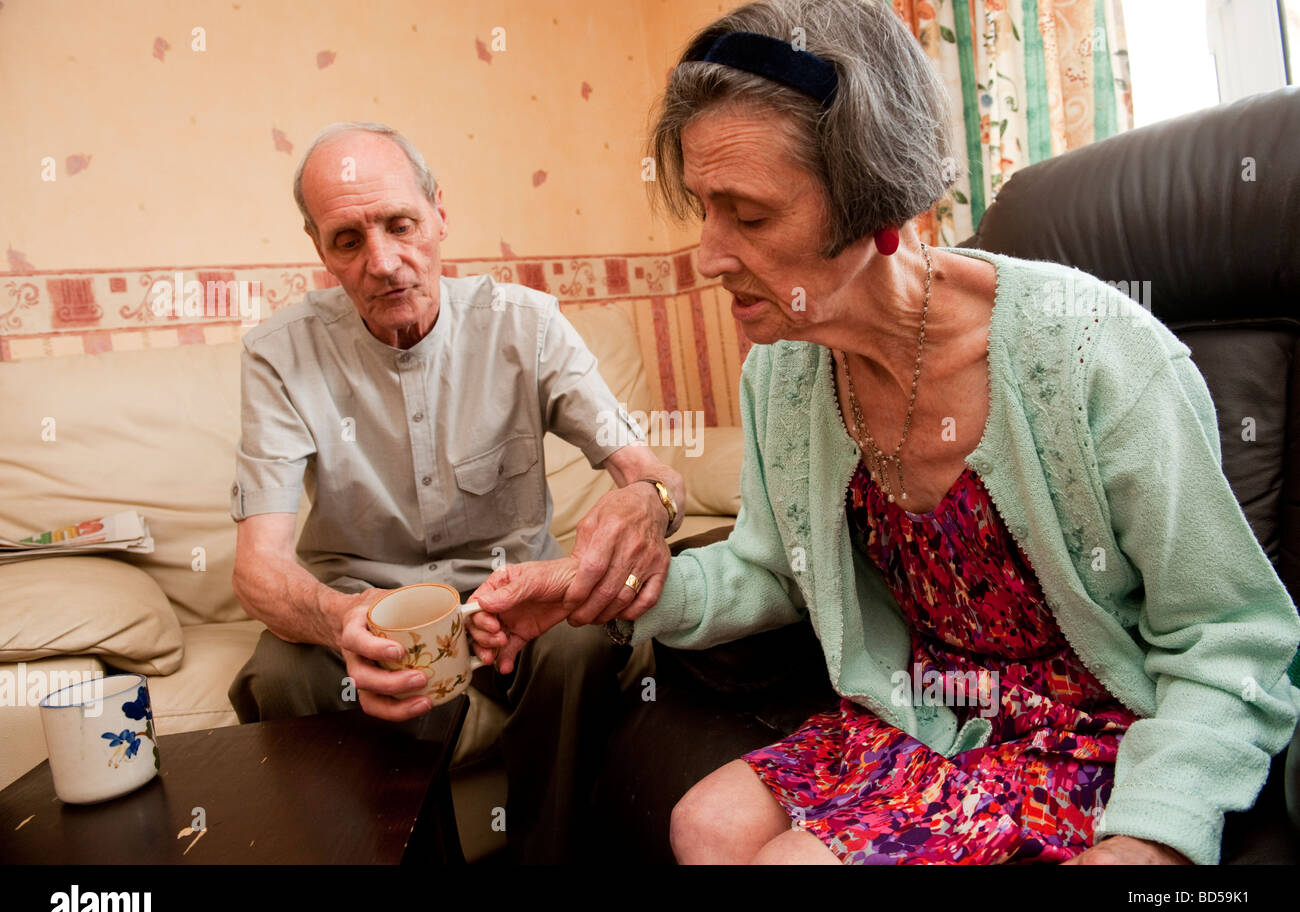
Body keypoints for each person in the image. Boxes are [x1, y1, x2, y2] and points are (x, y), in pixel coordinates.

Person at [467, 0, 1300, 865]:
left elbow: (1233, 632)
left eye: (747, 216)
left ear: (874, 203)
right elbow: (767, 567)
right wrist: (589, 588)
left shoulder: (1092, 355)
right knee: (702, 823)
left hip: (1088, 733)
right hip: (929, 706)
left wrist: (1151, 843)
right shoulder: (784, 373)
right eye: (703, 209)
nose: (708, 255)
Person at [226, 121, 686, 864]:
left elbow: (652, 474)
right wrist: (343, 618)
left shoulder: (527, 326)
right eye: (348, 240)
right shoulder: (279, 355)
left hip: (513, 610)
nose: (383, 262)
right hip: (366, 616)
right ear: (320, 250)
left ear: (439, 212)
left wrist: (644, 504)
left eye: (400, 225)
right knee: (277, 670)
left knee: (583, 636)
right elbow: (259, 567)